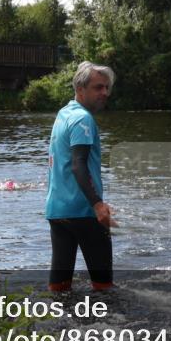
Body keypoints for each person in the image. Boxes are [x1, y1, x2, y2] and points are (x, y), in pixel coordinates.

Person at [45, 61, 117, 292]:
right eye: (98, 87)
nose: (104, 93)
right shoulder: (83, 120)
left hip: (58, 211)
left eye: (106, 87)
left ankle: (58, 326)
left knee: (59, 286)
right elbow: (78, 165)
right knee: (104, 287)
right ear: (80, 88)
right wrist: (97, 205)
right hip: (84, 213)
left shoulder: (64, 114)